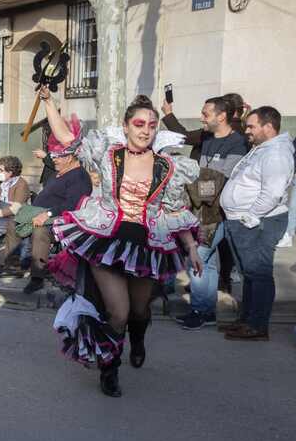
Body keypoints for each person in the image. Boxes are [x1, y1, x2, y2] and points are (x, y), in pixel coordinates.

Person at [45, 91, 201, 398]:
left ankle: (139, 339)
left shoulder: (167, 166)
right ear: (126, 126)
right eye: (139, 123)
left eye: (152, 125)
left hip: (147, 244)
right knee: (118, 312)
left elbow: (174, 210)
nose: (145, 130)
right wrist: (49, 103)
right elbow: (67, 138)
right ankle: (110, 369)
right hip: (106, 240)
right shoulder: (108, 154)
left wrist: (192, 246)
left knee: (138, 311)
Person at [219, 106, 294, 341]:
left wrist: (249, 217)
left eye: (252, 126)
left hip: (258, 222)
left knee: (259, 274)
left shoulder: (276, 154)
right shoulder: (264, 148)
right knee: (250, 273)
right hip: (246, 221)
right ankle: (247, 320)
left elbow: (273, 193)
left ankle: (257, 326)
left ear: (268, 127)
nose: (247, 131)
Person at [177, 97, 249, 330]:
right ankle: (205, 311)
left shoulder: (237, 143)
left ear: (222, 116)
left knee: (197, 257)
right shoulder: (207, 139)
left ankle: (200, 310)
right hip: (203, 212)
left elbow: (222, 180)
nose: (201, 117)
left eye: (206, 113)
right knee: (205, 262)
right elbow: (202, 175)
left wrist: (194, 184)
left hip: (221, 214)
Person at [19, 124, 93, 294]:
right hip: (44, 213)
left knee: (40, 232)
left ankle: (37, 277)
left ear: (70, 157)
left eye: (58, 157)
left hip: (66, 221)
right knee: (15, 221)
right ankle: (14, 263)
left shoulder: (80, 176)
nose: (54, 160)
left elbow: (72, 204)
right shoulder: (60, 171)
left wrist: (48, 213)